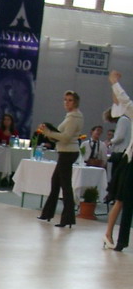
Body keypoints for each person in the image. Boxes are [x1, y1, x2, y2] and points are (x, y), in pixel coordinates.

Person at [36, 90, 84, 228]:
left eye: (70, 100)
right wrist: (49, 131)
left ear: (75, 102)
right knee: (56, 182)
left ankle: (67, 218)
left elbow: (66, 137)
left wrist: (48, 132)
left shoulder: (74, 117)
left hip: (68, 152)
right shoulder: (71, 116)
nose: (66, 102)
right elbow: (61, 135)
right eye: (65, 100)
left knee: (65, 185)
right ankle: (47, 213)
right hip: (66, 151)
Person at [104, 71, 133, 252]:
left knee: (123, 200)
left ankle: (114, 237)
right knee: (122, 200)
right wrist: (114, 83)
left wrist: (114, 83)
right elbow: (123, 101)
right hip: (130, 162)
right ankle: (110, 235)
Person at [103, 106, 132, 202]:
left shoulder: (123, 120)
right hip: (123, 151)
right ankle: (114, 196)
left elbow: (120, 137)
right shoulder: (126, 120)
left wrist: (110, 142)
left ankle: (113, 195)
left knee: (116, 175)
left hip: (120, 152)